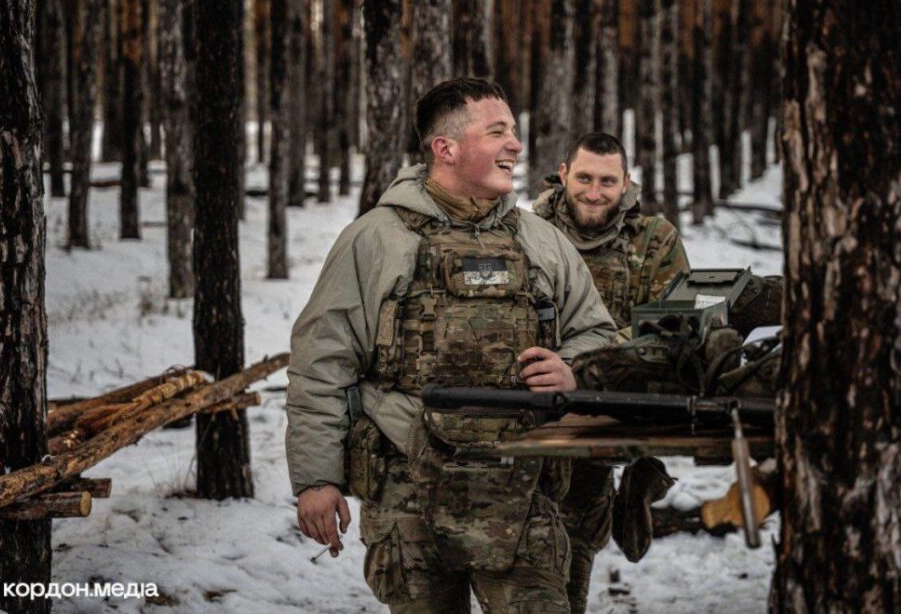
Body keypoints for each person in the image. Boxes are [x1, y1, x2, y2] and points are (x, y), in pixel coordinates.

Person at [286, 78, 616, 613]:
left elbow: (597, 331)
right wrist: (317, 479)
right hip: (408, 490)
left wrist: (573, 368)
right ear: (447, 148)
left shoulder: (541, 240)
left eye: (513, 131)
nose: (516, 144)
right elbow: (321, 365)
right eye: (498, 132)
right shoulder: (376, 240)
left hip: (522, 489)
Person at [532, 132, 689, 613]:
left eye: (607, 181)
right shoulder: (525, 231)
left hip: (599, 426)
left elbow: (673, 328)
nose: (593, 192)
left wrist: (585, 368)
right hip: (525, 416)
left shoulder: (653, 240)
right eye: (583, 178)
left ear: (625, 183)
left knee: (575, 553)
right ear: (563, 174)